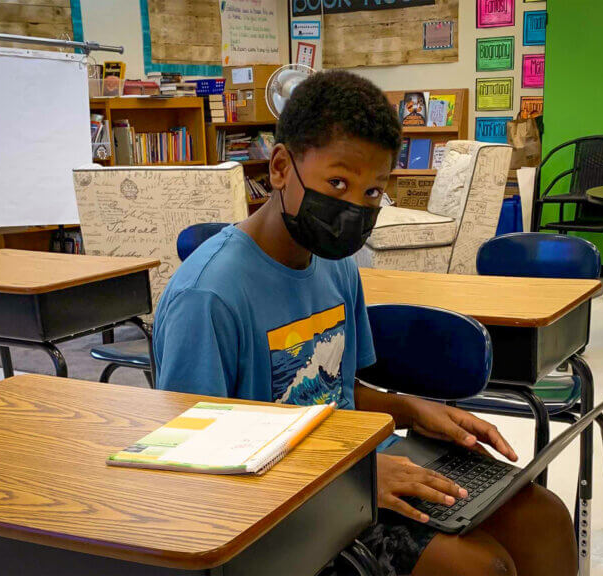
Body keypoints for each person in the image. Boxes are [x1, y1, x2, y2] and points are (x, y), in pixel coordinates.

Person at [154, 70, 577, 576]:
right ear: (282, 167)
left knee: (545, 519)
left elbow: (337, 393)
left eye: (373, 193)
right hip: (277, 504)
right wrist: (347, 480)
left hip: (351, 467)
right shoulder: (209, 295)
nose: (354, 207)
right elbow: (192, 461)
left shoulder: (337, 264)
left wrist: (408, 410)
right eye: (338, 183)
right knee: (479, 568)